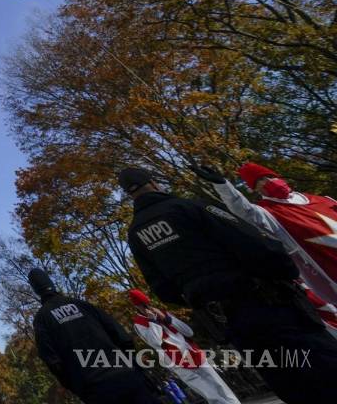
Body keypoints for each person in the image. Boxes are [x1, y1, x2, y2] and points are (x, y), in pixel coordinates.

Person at [120, 166, 337, 403]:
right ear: (153, 182)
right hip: (271, 304)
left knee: (288, 380)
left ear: (129, 194)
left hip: (230, 321)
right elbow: (252, 242)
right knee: (324, 366)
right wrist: (285, 271)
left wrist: (203, 295)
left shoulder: (136, 235)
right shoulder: (191, 207)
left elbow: (164, 290)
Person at [193, 163, 337, 333]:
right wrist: (223, 185)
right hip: (329, 271)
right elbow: (243, 209)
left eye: (269, 176)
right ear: (255, 189)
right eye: (260, 181)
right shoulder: (267, 213)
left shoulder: (323, 199)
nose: (268, 181)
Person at [28, 268, 159, 403]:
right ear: (51, 283)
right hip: (127, 376)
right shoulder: (82, 304)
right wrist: (133, 365)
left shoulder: (42, 319)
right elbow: (121, 335)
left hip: (95, 389)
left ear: (36, 291)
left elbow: (53, 361)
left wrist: (77, 387)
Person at [127, 288, 240, 404]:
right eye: (142, 306)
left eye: (147, 304)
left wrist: (167, 319)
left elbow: (189, 332)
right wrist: (153, 322)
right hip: (173, 359)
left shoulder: (163, 313)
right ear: (136, 307)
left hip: (191, 351)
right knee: (207, 391)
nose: (146, 308)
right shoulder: (139, 323)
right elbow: (155, 342)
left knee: (218, 383)